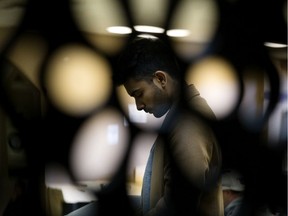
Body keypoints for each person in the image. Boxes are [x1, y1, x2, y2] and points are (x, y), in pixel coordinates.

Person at [113, 36, 224, 216]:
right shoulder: (181, 116)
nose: (139, 105)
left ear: (160, 79)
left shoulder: (189, 122)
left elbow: (179, 203)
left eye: (139, 94)